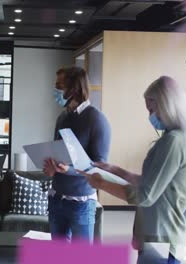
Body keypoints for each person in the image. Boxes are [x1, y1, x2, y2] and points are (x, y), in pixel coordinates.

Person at [82, 76, 186, 264]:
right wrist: (114, 169)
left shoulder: (174, 141)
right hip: (159, 236)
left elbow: (146, 195)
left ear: (166, 104)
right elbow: (150, 182)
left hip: (161, 239)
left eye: (151, 109)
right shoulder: (179, 138)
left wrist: (101, 184)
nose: (150, 116)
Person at [43, 66, 111, 243]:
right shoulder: (62, 118)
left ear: (73, 88)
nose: (55, 89)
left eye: (59, 85)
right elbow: (56, 152)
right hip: (56, 199)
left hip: (81, 202)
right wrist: (52, 169)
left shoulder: (97, 119)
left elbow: (100, 167)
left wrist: (69, 170)